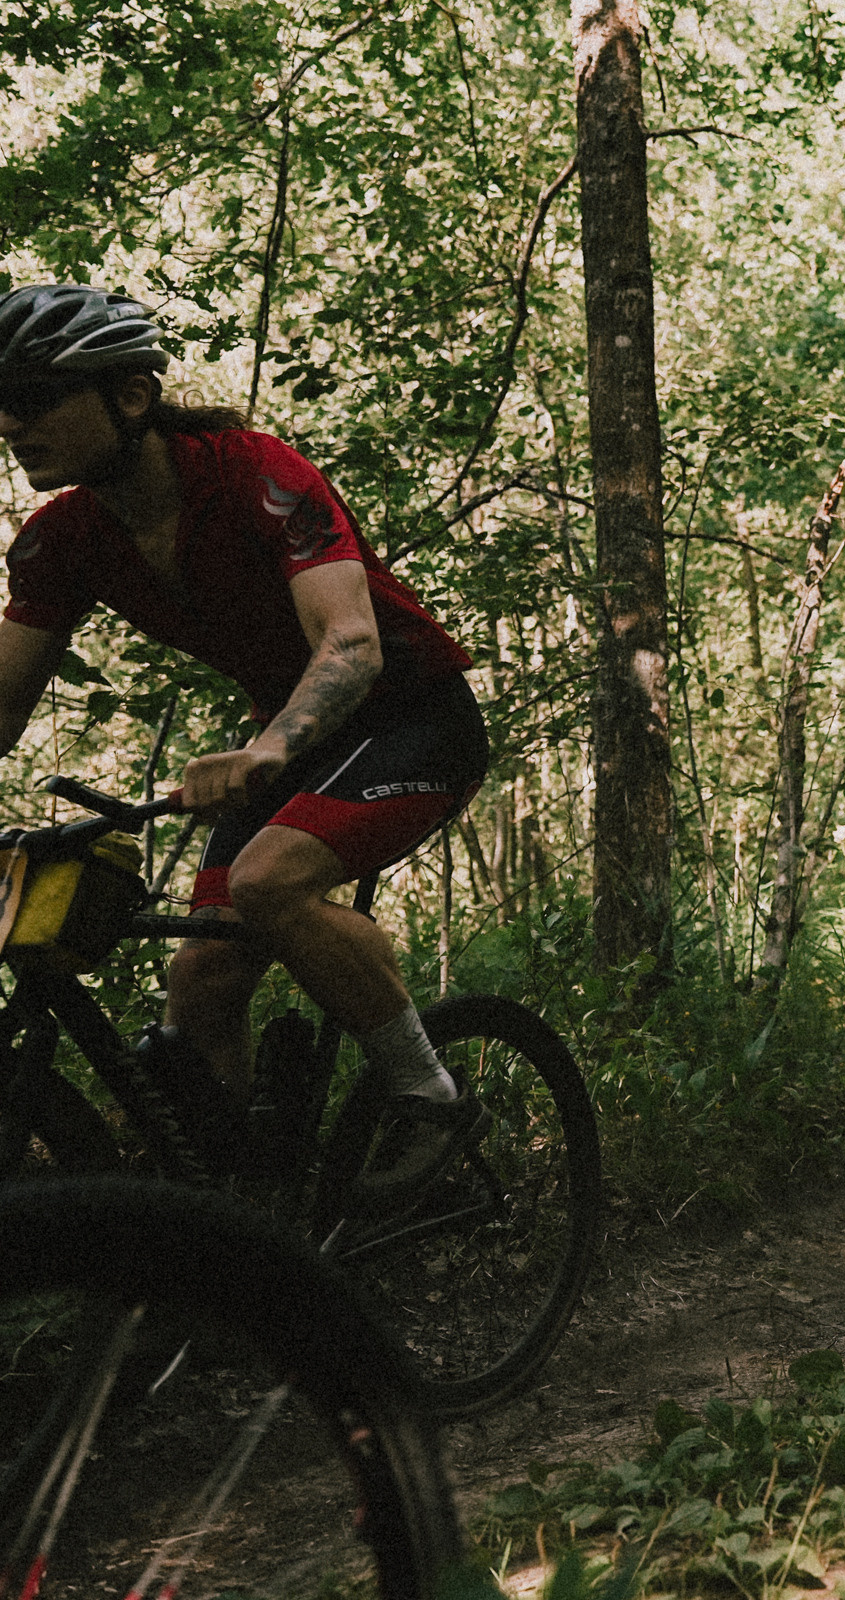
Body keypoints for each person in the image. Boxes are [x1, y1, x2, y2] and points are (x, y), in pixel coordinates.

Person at [0, 284, 490, 1195]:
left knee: (268, 883)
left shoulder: (258, 476)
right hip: (297, 738)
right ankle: (244, 1233)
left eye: (34, 396)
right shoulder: (59, 540)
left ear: (131, 397)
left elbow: (350, 646)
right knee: (203, 982)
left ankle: (433, 1098)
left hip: (415, 718)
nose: (11, 422)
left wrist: (267, 752)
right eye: (2, 402)